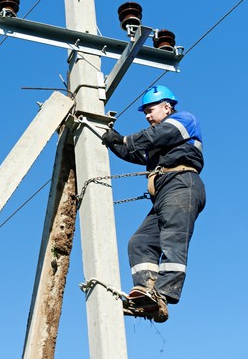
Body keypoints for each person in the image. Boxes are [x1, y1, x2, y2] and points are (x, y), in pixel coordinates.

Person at [101, 85, 206, 323]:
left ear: (167, 107)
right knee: (140, 242)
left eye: (151, 110)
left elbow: (151, 137)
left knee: (172, 236)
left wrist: (124, 138)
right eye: (145, 112)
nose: (147, 115)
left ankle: (164, 293)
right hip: (165, 193)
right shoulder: (159, 139)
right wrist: (110, 139)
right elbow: (134, 152)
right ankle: (147, 295)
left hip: (182, 184)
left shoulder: (184, 120)